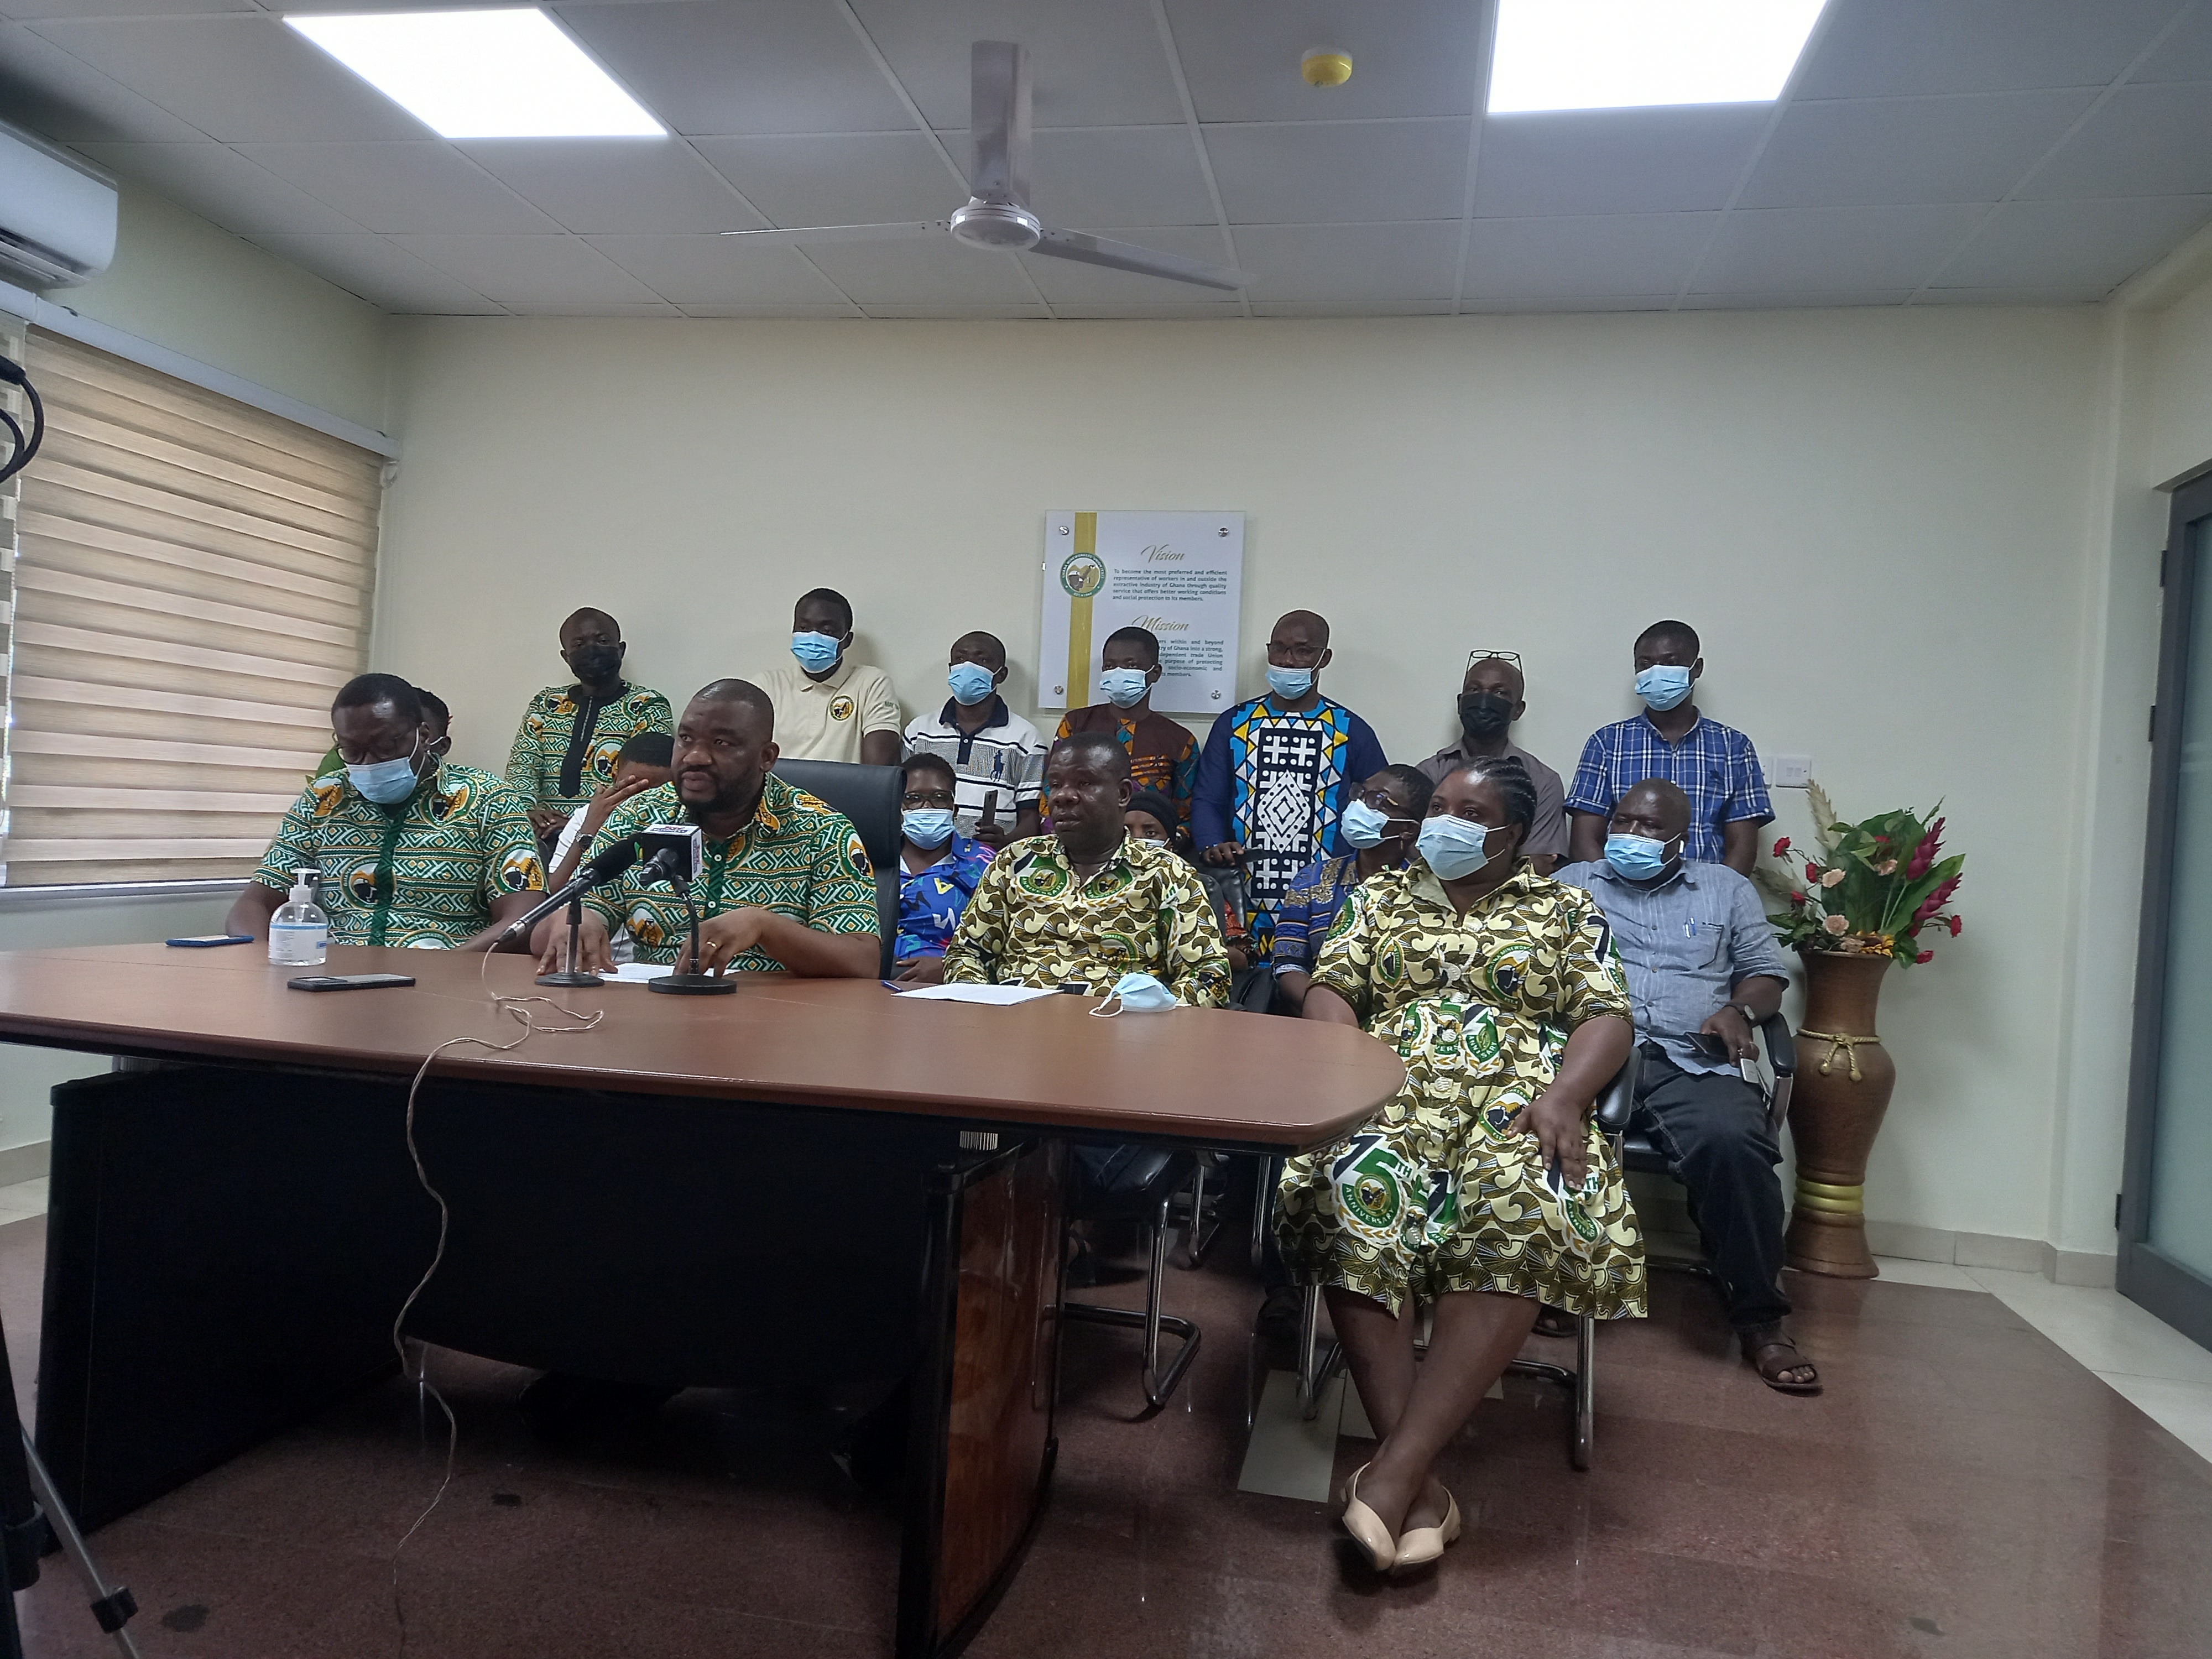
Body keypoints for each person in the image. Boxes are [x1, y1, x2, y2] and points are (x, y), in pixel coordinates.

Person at [1276, 755, 1641, 1574]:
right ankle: (1419, 1485)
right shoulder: (1378, 897)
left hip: (1520, 1097)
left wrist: (1565, 1099)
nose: (1439, 822)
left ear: (1512, 836)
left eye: (1466, 814)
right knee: (1348, 1187)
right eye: (1436, 806)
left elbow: (1607, 1017)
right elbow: (1331, 990)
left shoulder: (1563, 908)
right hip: (1386, 1087)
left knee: (1527, 1195)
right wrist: (1340, 1060)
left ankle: (1396, 1474)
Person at [1553, 778, 1814, 1394]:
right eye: (1623, 822)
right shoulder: (1572, 886)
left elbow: (1765, 975)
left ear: (1682, 838)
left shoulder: (1725, 889)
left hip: (1687, 1055)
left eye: (1649, 827)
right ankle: (1542, 1280)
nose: (1632, 836)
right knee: (1527, 1124)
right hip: (1588, 1051)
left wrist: (1739, 1012)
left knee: (1733, 1141)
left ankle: (1760, 1318)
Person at [538, 679, 878, 977]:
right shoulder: (638, 817)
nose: (695, 757)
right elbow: (543, 934)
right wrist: (573, 921)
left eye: (721, 744)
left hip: (775, 1027)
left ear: (767, 757)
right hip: (653, 1023)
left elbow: (864, 961)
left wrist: (765, 927)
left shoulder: (821, 830)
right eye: (685, 738)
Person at [231, 674, 544, 950]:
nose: (369, 763)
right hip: (332, 981)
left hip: (447, 987)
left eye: (386, 747)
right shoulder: (324, 798)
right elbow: (255, 903)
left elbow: (523, 917)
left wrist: (445, 971)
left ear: (423, 735)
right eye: (352, 751)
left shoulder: (490, 799)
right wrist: (260, 963)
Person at [942, 733, 1229, 1006]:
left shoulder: (1166, 872)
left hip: (1124, 1037)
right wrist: (979, 1004)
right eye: (1055, 784)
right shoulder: (1014, 862)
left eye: (1084, 783)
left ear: (1123, 793)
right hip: (1017, 1031)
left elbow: (1210, 975)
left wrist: (1151, 1016)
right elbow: (966, 953)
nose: (1062, 796)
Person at [1191, 610, 1386, 961]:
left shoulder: (1351, 730)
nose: (1287, 660)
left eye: (1302, 651)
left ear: (1324, 658)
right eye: (1279, 648)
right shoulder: (1233, 724)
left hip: (1325, 894)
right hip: (1243, 887)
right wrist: (1211, 843)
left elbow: (1383, 801)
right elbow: (1207, 796)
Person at [1566, 619, 1771, 874]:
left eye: (1670, 663)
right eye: (1645, 664)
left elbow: (1742, 847)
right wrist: (1610, 898)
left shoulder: (1734, 747)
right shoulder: (1607, 743)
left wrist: (1716, 900)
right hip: (1619, 898)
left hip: (1705, 900)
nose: (1656, 672)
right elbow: (1584, 841)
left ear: (1696, 669)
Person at [1271, 765, 1432, 1015]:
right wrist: (1329, 1013)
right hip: (1318, 1020)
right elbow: (1288, 966)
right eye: (1361, 793)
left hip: (1397, 1024)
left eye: (1379, 800)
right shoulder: (1312, 879)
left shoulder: (1425, 889)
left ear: (1408, 829)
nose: (1360, 804)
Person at [507, 608, 674, 848]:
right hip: (541, 839)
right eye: (579, 644)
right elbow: (522, 767)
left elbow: (646, 785)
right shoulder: (546, 704)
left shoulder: (648, 705)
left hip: (613, 838)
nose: (592, 649)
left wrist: (582, 823)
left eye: (603, 641)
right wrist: (528, 814)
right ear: (566, 657)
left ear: (621, 649)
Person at [1416, 653, 1569, 874]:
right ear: (1460, 703)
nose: (1484, 700)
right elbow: (1415, 853)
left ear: (1518, 709)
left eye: (1500, 692)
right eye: (1474, 690)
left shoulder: (1542, 781)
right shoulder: (1429, 772)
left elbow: (1538, 866)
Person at [901, 630, 1045, 847]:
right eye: (960, 659)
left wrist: (1006, 842)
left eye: (983, 660)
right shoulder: (918, 730)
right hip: (923, 856)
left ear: (1001, 674)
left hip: (991, 862)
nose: (968, 667)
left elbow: (1031, 817)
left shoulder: (1026, 738)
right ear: (950, 669)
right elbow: (898, 800)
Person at [1056, 625, 1199, 826]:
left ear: (1155, 673)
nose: (1118, 674)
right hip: (1079, 845)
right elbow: (1051, 793)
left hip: (1150, 850)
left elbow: (1185, 815)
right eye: (1110, 666)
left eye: (1131, 666)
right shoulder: (1074, 724)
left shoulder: (1180, 740)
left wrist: (1163, 846)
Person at [763, 587, 901, 766]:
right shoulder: (767, 686)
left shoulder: (872, 683)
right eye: (803, 628)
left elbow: (877, 772)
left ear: (847, 640)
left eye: (827, 630)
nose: (813, 637)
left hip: (844, 794)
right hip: (777, 794)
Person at [890, 753, 994, 984]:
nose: (926, 807)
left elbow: (1005, 942)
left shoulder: (983, 863)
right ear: (898, 806)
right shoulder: (871, 857)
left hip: (950, 988)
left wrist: (951, 965)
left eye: (939, 797)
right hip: (868, 984)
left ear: (954, 808)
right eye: (913, 798)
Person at [1126, 785, 1249, 976]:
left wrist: (1192, 950)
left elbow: (1244, 956)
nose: (1137, 840)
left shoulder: (1194, 887)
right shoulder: (1102, 886)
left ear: (1170, 843)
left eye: (1150, 834)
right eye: (1127, 832)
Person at [545, 732, 674, 889]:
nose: (642, 802)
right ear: (615, 779)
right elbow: (553, 892)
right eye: (632, 789)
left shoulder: (683, 822)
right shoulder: (589, 815)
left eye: (655, 792)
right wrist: (589, 829)